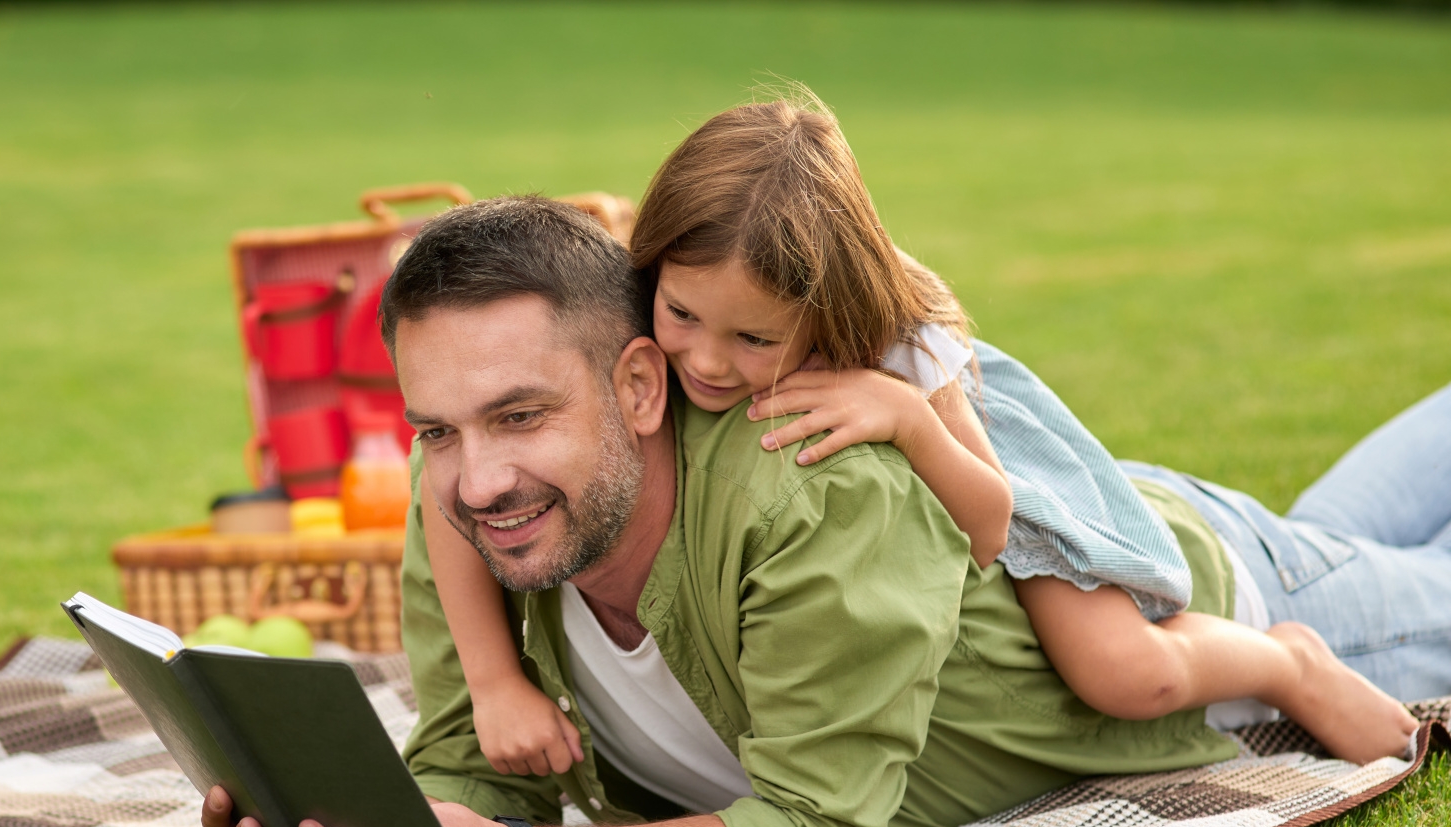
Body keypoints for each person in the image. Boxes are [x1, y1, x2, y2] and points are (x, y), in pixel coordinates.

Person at [202, 195, 1443, 827]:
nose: (476, 479)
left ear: (639, 384)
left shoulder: (810, 484)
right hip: (1151, 526)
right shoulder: (471, 506)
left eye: (522, 417)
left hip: (1222, 593)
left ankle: (1293, 665)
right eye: (440, 429)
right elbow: (474, 766)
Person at [424, 92, 1415, 781]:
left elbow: (988, 524)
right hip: (1192, 515)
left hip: (1015, 482)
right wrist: (494, 682)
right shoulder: (665, 304)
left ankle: (1289, 662)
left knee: (1126, 671)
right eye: (685, 318)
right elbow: (444, 488)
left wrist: (904, 416)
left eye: (756, 340)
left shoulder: (901, 344)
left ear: (823, 311)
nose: (709, 363)